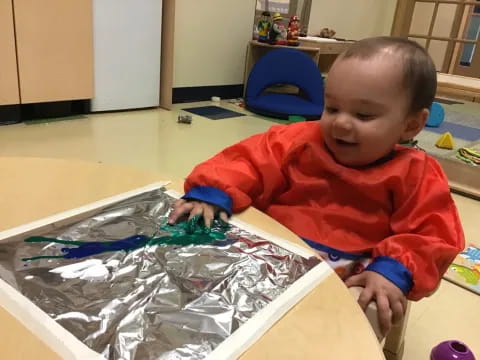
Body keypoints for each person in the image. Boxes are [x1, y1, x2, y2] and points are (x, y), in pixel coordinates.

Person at [168, 37, 465, 335]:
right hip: (273, 248)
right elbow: (248, 160)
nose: (341, 123)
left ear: (411, 125)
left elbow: (432, 233)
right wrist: (212, 191)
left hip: (350, 275)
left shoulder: (417, 173)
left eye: (363, 115)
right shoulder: (299, 141)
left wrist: (392, 270)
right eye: (332, 108)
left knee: (356, 315)